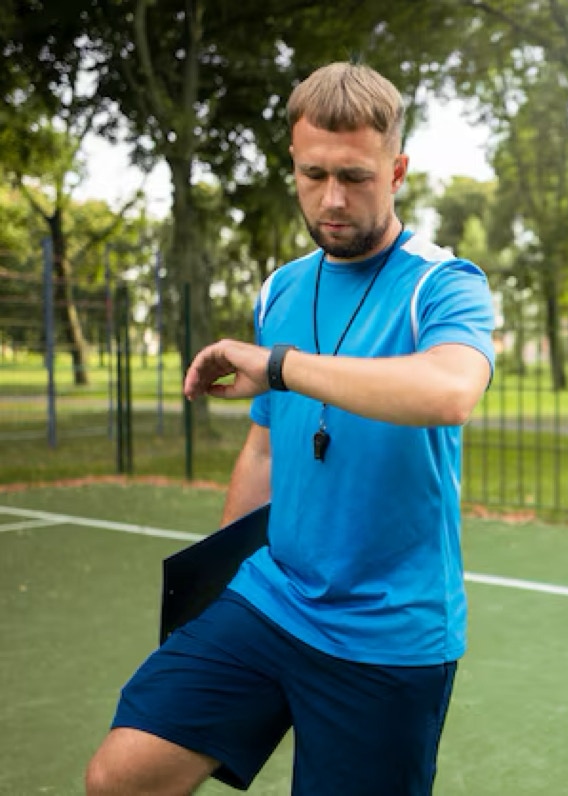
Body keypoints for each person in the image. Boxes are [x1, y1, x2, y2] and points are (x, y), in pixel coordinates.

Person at [84, 62, 496, 796]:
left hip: (388, 631)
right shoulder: (282, 288)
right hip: (271, 598)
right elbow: (266, 446)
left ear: (397, 170)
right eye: (313, 175)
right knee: (122, 777)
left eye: (355, 176)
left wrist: (280, 366)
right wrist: (215, 583)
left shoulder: (441, 283)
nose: (332, 199)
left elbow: (449, 391)